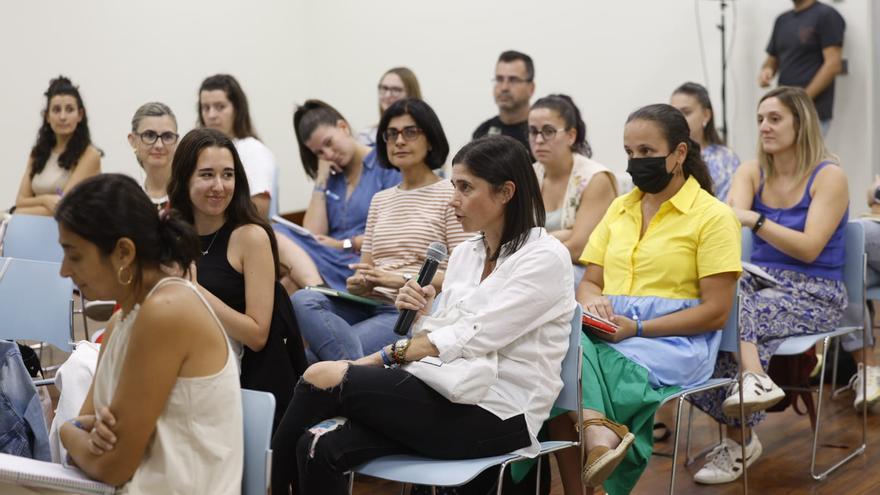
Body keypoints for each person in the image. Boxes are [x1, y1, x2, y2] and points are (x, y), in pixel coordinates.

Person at [270, 135, 576, 495]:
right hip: (444, 390)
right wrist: (420, 314)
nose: (454, 200)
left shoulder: (544, 257)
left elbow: (476, 336)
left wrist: (382, 357)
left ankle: (266, 488)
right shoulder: (467, 254)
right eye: (454, 186)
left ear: (506, 192)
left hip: (499, 412)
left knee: (322, 376)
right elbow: (446, 332)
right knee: (317, 445)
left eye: (465, 188)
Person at [548, 104, 741, 495]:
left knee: (562, 370)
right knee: (551, 359)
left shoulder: (713, 217)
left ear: (679, 153)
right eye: (629, 153)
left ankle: (595, 444)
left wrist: (637, 327)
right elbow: (589, 282)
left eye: (647, 152)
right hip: (609, 331)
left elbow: (716, 313)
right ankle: (597, 435)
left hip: (673, 342)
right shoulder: (621, 207)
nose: (636, 162)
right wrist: (593, 300)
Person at [690, 86, 849, 484]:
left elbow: (811, 249)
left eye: (775, 119)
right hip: (760, 285)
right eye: (760, 119)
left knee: (732, 311)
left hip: (817, 291)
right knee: (707, 307)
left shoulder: (829, 176)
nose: (764, 126)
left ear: (802, 123)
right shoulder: (752, 170)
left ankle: (742, 436)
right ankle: (753, 381)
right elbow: (728, 224)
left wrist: (755, 220)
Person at [52, 174, 241, 494]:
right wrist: (77, 436)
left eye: (75, 255)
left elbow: (112, 466)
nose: (64, 271)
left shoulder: (166, 311)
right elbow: (81, 440)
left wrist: (70, 434)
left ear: (124, 253)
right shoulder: (121, 322)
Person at [292, 98, 470, 362]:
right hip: (368, 304)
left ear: (430, 139)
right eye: (391, 134)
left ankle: (349, 372)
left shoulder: (449, 193)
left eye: (410, 132)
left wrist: (398, 280)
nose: (399, 141)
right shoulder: (381, 199)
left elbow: (463, 275)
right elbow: (366, 269)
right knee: (301, 300)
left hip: (409, 310)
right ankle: (354, 372)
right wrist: (360, 283)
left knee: (310, 360)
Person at [167, 128, 307, 427]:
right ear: (185, 178)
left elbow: (257, 335)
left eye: (227, 175)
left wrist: (193, 291)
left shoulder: (250, 237)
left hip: (232, 368)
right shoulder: (172, 233)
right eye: (207, 175)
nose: (219, 186)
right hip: (179, 349)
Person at [275, 100, 400, 293]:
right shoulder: (332, 176)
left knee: (290, 277)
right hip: (329, 260)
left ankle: (319, 291)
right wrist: (320, 180)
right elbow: (313, 235)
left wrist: (344, 244)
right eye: (319, 153)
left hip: (363, 262)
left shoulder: (385, 166)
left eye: (328, 143)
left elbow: (392, 233)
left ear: (343, 128)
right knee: (276, 238)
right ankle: (319, 290)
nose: (328, 154)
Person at [528, 94, 617, 284]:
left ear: (571, 135)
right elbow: (513, 238)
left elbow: (580, 248)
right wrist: (563, 234)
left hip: (585, 276)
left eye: (548, 131)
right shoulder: (528, 175)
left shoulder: (596, 178)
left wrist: (531, 247)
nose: (539, 140)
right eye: (533, 131)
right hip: (536, 268)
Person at [12, 76, 101, 216]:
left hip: (71, 233)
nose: (63, 117)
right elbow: (20, 200)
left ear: (80, 115)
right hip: (32, 228)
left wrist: (20, 212)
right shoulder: (37, 153)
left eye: (70, 109)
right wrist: (45, 200)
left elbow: (63, 206)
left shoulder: (90, 155)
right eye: (56, 110)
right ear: (47, 116)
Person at [759, 0, 845, 135]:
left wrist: (801, 100)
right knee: (782, 156)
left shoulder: (826, 15)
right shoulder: (782, 20)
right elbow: (772, 60)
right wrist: (767, 70)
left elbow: (833, 65)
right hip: (783, 110)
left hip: (812, 112)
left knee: (806, 156)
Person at [198, 74, 277, 218]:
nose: (211, 115)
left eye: (220, 107)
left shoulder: (253, 150)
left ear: (237, 109)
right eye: (205, 108)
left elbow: (259, 210)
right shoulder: (198, 150)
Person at [670, 82, 741, 200]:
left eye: (686, 112)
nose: (678, 119)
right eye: (673, 113)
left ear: (706, 115)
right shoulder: (663, 155)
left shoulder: (726, 159)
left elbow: (729, 207)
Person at [472, 50, 535, 158]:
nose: (504, 87)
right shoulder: (483, 132)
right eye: (499, 79)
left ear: (531, 88)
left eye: (513, 80)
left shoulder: (540, 134)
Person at [128, 102, 178, 209]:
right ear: (132, 140)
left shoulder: (192, 195)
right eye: (149, 135)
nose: (159, 145)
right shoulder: (126, 200)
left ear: (177, 141)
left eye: (167, 136)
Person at [357, 67, 422, 147]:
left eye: (396, 90)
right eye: (384, 88)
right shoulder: (367, 136)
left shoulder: (424, 133)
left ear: (411, 94)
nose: (387, 95)